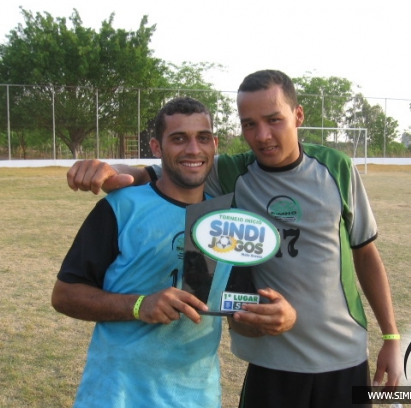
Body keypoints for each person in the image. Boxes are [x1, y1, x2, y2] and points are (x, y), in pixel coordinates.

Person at [66, 70, 402, 407]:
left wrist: (390, 334)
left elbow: (365, 253)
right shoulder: (229, 175)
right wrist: (114, 171)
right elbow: (166, 169)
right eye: (249, 124)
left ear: (298, 115)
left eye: (274, 119)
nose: (263, 135)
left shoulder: (336, 168)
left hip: (342, 354)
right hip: (271, 361)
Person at [52, 96, 294, 408]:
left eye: (203, 138)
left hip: (196, 397)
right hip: (116, 396)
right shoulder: (122, 207)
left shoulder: (227, 220)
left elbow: (236, 316)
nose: (193, 149)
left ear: (214, 145)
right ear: (156, 147)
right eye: (179, 139)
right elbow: (64, 295)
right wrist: (139, 305)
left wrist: (270, 319)